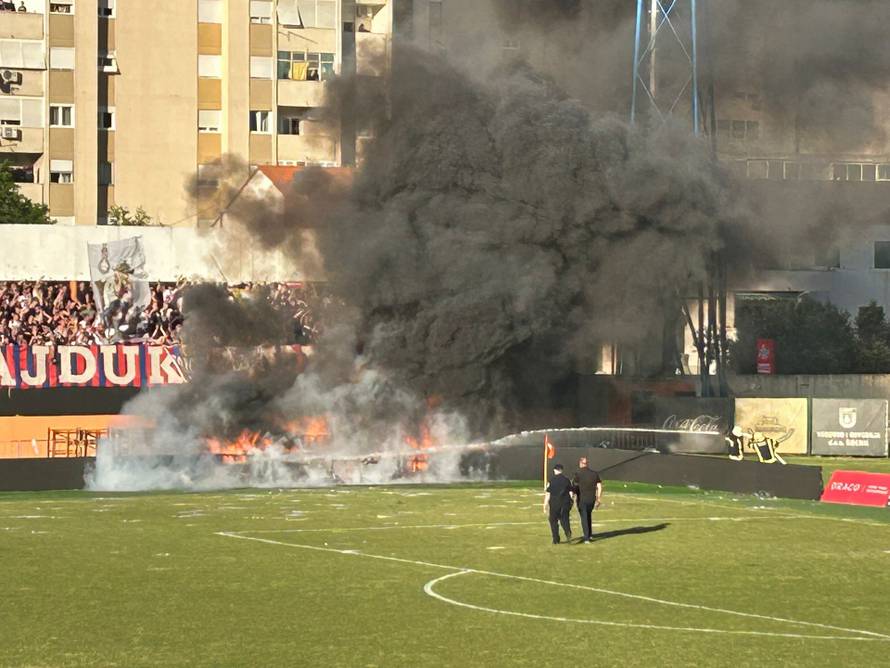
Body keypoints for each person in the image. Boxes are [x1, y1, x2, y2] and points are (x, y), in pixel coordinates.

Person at [572, 457, 603, 542]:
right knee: (588, 515)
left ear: (580, 463)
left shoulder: (578, 474)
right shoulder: (594, 474)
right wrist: (599, 498)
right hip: (592, 499)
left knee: (584, 517)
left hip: (582, 499)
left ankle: (586, 538)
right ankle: (590, 534)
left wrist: (573, 496)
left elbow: (574, 486)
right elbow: (599, 486)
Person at [543, 463, 573, 544]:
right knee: (565, 519)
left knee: (553, 520)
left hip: (554, 503)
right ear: (561, 470)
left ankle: (555, 539)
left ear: (555, 470)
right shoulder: (567, 480)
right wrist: (571, 501)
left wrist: (545, 504)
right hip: (565, 503)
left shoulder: (551, 480)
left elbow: (548, 493)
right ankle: (568, 532)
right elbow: (571, 492)